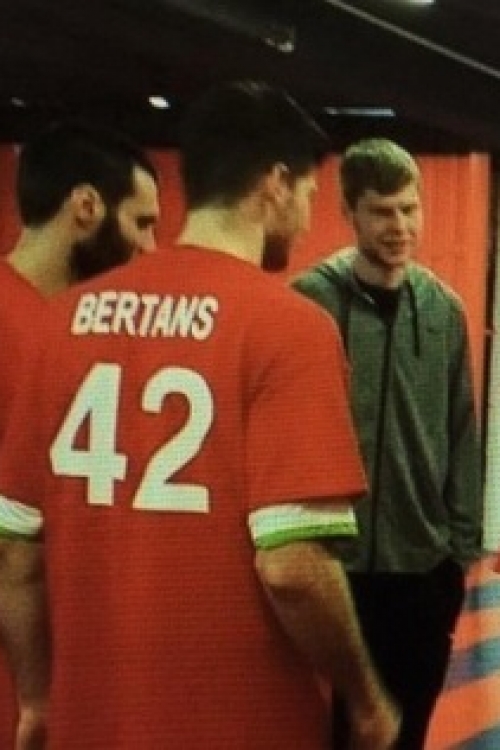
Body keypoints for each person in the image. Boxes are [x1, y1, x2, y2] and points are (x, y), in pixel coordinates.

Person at [0, 82, 399, 749]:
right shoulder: (289, 328)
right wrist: (365, 696)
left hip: (91, 721)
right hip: (241, 724)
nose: (307, 220)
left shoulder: (59, 322)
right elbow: (292, 566)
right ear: (275, 184)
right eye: (308, 194)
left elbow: (16, 554)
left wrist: (38, 699)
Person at [293, 137, 483, 749]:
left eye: (409, 208)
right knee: (327, 736)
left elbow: (462, 429)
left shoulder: (444, 310)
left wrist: (459, 550)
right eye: (381, 211)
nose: (399, 226)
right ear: (349, 212)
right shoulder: (309, 305)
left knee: (406, 734)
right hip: (333, 567)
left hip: (423, 571)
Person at [0, 120, 160, 749]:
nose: (151, 247)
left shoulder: (78, 330)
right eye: (142, 223)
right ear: (87, 207)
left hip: (65, 657)